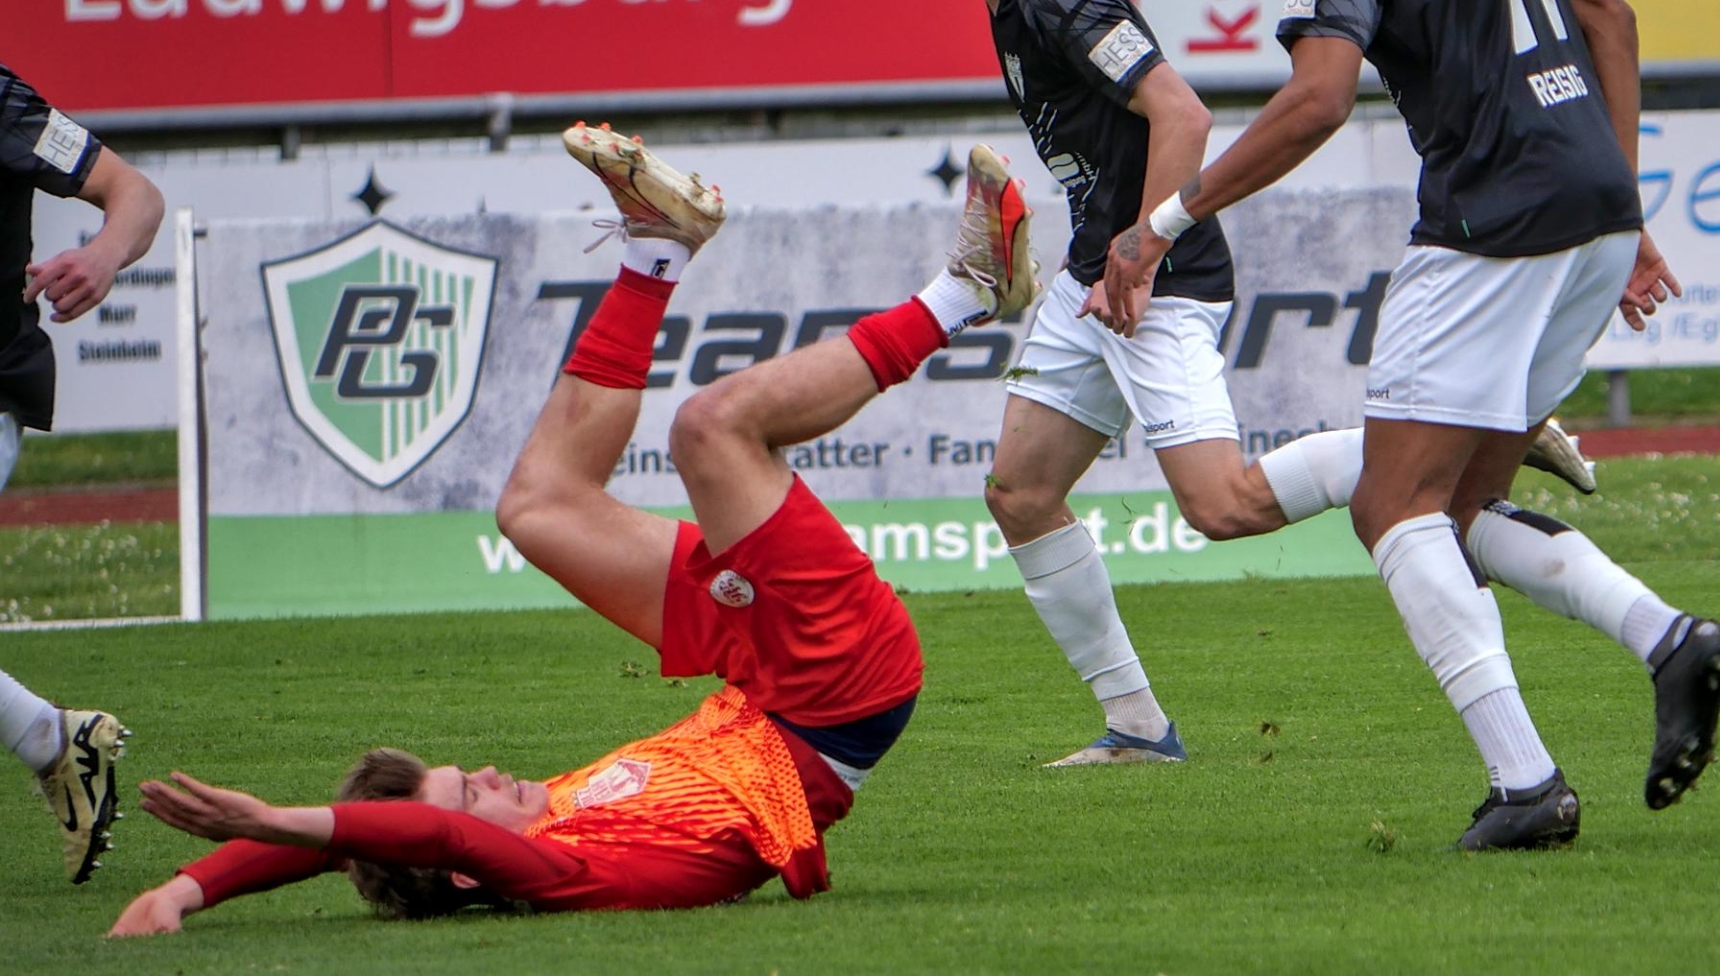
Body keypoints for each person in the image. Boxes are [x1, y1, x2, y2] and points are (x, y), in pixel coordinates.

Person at [108, 126, 1036, 934]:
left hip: (761, 677)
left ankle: (656, 250)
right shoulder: (559, 875)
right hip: (836, 689)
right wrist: (279, 819)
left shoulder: (515, 833)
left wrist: (191, 887)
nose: (487, 771)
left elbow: (384, 843)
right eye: (470, 794)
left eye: (462, 774)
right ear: (471, 864)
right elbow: (426, 834)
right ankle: (964, 292)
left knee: (537, 507)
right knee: (712, 429)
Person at [1104, 0, 1720, 848]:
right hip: (1591, 213)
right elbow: (1612, 12)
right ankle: (1668, 640)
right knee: (1458, 506)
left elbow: (1316, 99)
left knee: (1390, 508)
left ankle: (1527, 786)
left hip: (1491, 223)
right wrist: (1623, 193)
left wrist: (1161, 221)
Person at [914, 0, 1596, 769]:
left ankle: (1475, 429)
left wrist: (1142, 249)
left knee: (1223, 505)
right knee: (1020, 493)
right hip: (1091, 271)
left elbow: (1181, 116)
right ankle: (1140, 731)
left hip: (1149, 274)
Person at [3, 60, 162, 883]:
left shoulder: (2, 103)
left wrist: (103, 254)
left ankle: (48, 736)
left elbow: (135, 192)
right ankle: (49, 737)